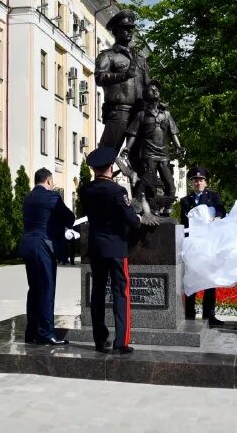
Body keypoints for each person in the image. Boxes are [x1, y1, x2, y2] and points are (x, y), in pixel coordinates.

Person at [80, 147, 141, 354]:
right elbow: (132, 221)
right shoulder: (118, 191)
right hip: (116, 248)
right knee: (120, 293)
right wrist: (138, 217)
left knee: (97, 293)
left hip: (96, 248)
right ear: (111, 168)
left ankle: (100, 340)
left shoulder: (86, 190)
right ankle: (121, 342)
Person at [19, 168, 75, 345]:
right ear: (49, 181)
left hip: (28, 244)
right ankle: (46, 333)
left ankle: (31, 331)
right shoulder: (52, 196)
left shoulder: (28, 197)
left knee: (34, 289)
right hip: (43, 245)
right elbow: (69, 218)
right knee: (47, 289)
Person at [95, 10, 151, 154]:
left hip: (139, 113)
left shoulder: (140, 58)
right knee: (107, 153)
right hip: (119, 111)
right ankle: (103, 176)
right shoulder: (108, 55)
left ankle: (140, 177)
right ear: (116, 31)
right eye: (125, 29)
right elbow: (99, 78)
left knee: (142, 157)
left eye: (131, 29)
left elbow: (148, 85)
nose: (129, 32)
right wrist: (124, 75)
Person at [122, 80, 182, 212]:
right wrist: (127, 148)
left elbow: (173, 132)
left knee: (169, 183)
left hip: (164, 154)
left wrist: (179, 146)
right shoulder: (141, 115)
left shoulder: (166, 114)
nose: (155, 91)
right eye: (151, 89)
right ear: (145, 95)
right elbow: (133, 134)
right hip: (147, 154)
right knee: (151, 184)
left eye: (157, 90)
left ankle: (168, 205)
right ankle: (153, 208)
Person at [179, 166, 226, 327]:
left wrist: (218, 217)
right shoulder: (185, 201)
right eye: (195, 180)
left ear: (206, 182)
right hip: (193, 245)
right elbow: (183, 224)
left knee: (209, 280)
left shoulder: (213, 196)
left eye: (201, 180)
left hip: (209, 244)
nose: (198, 183)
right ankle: (189, 314)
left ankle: (209, 315)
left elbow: (221, 211)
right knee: (190, 280)